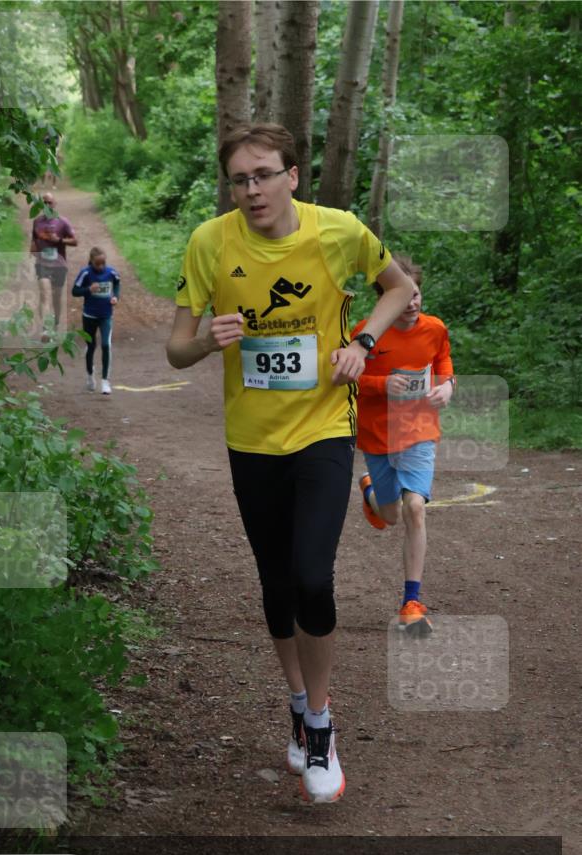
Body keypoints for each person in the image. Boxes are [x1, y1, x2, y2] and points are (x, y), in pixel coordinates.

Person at [166, 122, 413, 804]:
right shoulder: (209, 243)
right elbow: (174, 349)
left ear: (293, 175)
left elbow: (395, 289)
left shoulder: (338, 232)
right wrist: (206, 343)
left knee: (312, 575)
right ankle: (297, 702)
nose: (252, 190)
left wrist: (361, 340)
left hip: (323, 429)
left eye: (264, 174)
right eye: (240, 179)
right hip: (250, 439)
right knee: (276, 584)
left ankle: (321, 722)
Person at [352, 254, 456, 636]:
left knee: (415, 508)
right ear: (386, 299)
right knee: (390, 515)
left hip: (419, 432)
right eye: (404, 296)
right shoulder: (366, 333)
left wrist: (447, 387)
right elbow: (346, 379)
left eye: (416, 294)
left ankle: (411, 602)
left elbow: (444, 366)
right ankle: (370, 492)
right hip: (378, 435)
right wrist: (382, 385)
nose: (412, 303)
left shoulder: (435, 329)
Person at [72, 246, 120, 395]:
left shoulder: (111, 272)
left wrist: (115, 297)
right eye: (97, 264)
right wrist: (88, 290)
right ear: (91, 262)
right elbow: (74, 291)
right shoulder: (85, 273)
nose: (101, 267)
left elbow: (117, 283)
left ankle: (105, 381)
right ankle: (90, 376)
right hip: (89, 316)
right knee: (91, 346)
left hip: (106, 315)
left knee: (106, 345)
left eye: (103, 263)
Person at [30, 191, 77, 336]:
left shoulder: (63, 222)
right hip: (42, 264)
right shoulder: (37, 222)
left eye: (50, 202)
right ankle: (45, 329)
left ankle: (56, 322)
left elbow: (75, 241)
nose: (47, 205)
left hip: (59, 264)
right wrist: (33, 248)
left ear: (55, 204)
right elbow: (34, 240)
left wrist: (59, 240)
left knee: (57, 297)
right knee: (45, 295)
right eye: (44, 202)